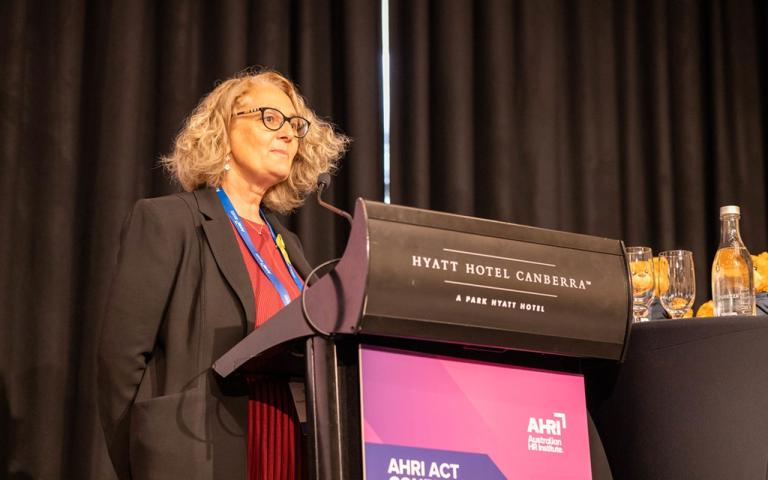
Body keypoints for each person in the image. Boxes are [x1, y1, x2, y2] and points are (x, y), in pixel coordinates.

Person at [97, 69, 349, 480]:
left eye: (296, 125)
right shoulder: (169, 221)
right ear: (223, 130)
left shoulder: (289, 245)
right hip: (201, 453)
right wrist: (145, 461)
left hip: (289, 444)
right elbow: (120, 361)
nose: (288, 134)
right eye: (271, 118)